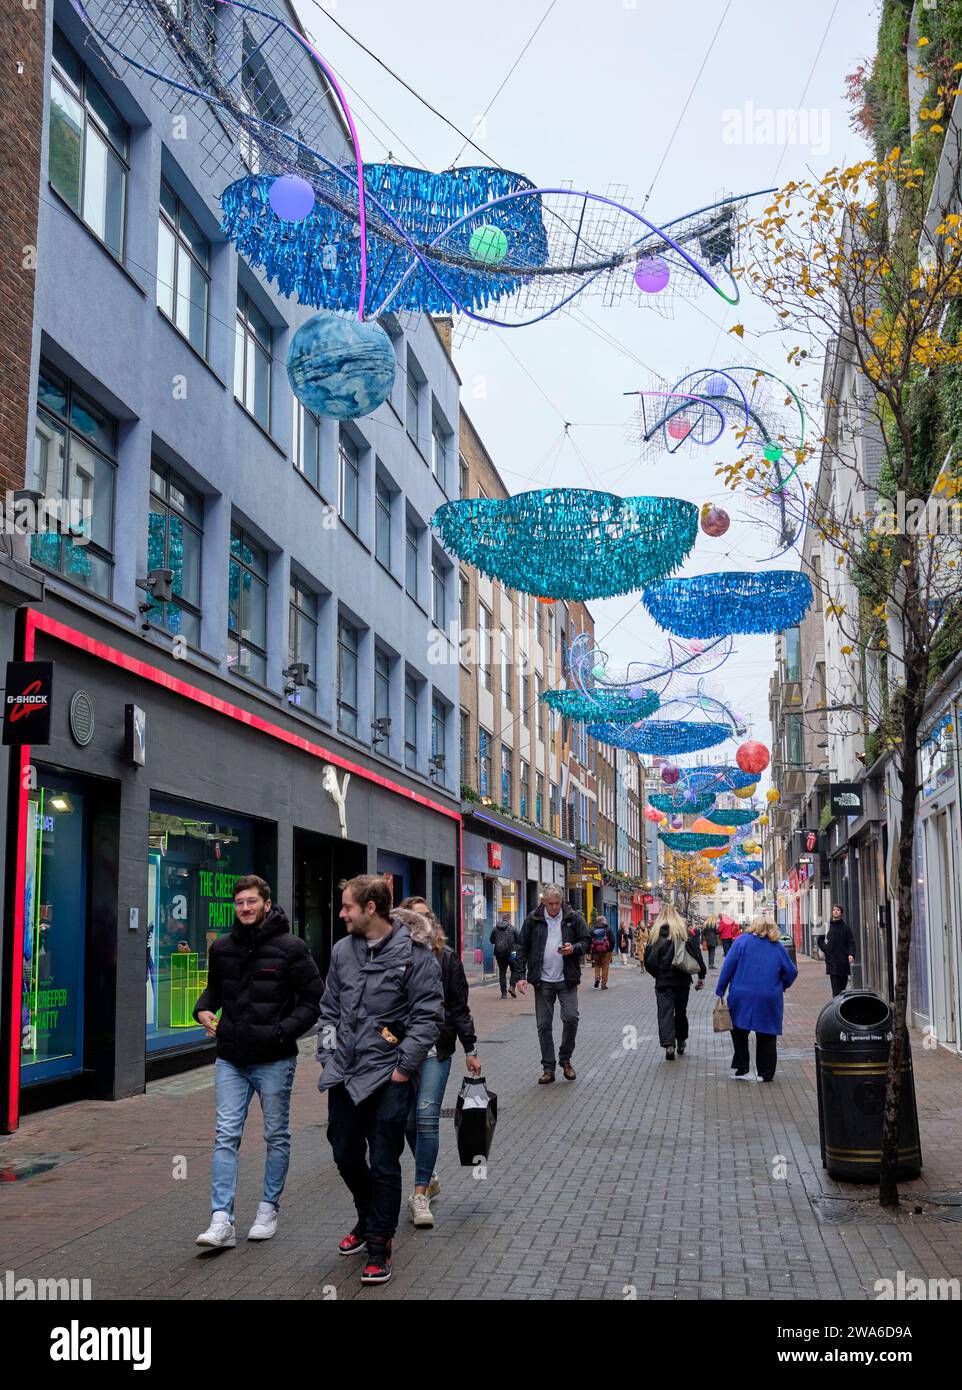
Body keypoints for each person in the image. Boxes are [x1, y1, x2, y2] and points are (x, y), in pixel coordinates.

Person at [317, 876, 444, 1285]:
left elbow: (428, 1016)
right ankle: (368, 1215)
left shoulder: (415, 955)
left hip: (389, 1078)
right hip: (344, 1075)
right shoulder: (342, 951)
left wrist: (403, 1068)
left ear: (371, 908)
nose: (341, 913)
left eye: (347, 907)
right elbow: (329, 1009)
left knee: (385, 1163)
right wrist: (327, 1053)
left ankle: (378, 1243)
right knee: (344, 1155)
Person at [194, 875, 322, 1249]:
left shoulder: (291, 948)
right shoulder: (222, 948)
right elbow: (215, 990)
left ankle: (268, 1209)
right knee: (225, 1136)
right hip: (231, 1057)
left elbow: (314, 999)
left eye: (251, 901)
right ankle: (222, 1221)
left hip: (274, 1059)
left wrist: (283, 1032)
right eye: (239, 903)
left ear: (267, 903)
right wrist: (202, 1010)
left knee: (275, 1135)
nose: (245, 908)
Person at [397, 898, 481, 1230]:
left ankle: (420, 1195)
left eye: (424, 918)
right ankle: (429, 1175)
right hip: (402, 1052)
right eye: (411, 919)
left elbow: (459, 1008)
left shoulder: (447, 960)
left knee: (427, 1114)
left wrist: (470, 1049)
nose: (419, 925)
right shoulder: (394, 960)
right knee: (407, 1122)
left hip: (436, 1050)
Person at [516, 887, 590, 1083]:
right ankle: (548, 1068)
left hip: (566, 979)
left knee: (571, 1017)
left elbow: (586, 941)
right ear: (544, 901)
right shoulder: (534, 919)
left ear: (561, 901)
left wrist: (573, 948)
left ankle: (565, 1060)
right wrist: (519, 976)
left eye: (557, 903)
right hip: (543, 980)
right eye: (550, 904)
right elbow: (522, 946)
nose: (555, 907)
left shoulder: (572, 918)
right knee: (543, 1025)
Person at [716, 915, 798, 1081]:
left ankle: (742, 1064)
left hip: (741, 993)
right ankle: (766, 1072)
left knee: (738, 1029)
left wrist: (720, 990)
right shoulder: (778, 947)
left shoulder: (741, 941)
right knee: (767, 1034)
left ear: (754, 926)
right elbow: (791, 971)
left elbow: (728, 967)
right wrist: (782, 986)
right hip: (768, 996)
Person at [644, 904, 706, 1060]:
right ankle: (681, 1040)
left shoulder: (655, 934)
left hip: (663, 982)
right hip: (682, 981)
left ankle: (669, 1045)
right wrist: (701, 975)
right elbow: (696, 954)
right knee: (680, 1012)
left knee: (665, 1013)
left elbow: (648, 960)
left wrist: (658, 974)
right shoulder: (683, 932)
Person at [819, 904, 856, 997]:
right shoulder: (827, 926)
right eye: (834, 910)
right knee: (835, 988)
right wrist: (826, 949)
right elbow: (820, 940)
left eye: (838, 910)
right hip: (832, 961)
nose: (835, 911)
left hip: (843, 962)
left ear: (841, 913)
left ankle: (841, 1004)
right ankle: (836, 1005)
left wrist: (851, 954)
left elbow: (851, 942)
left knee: (843, 986)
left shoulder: (846, 928)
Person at [489, 916, 519, 999]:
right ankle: (512, 987)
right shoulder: (513, 929)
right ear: (509, 920)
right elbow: (519, 940)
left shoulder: (495, 929)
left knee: (502, 973)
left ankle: (504, 993)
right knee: (514, 970)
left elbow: (491, 941)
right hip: (512, 954)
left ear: (503, 920)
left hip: (500, 954)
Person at [589, 914, 617, 989]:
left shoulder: (592, 929)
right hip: (606, 952)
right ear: (603, 921)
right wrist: (610, 950)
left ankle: (597, 978)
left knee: (597, 965)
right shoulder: (608, 929)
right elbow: (613, 941)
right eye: (605, 920)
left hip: (595, 951)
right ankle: (603, 984)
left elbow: (589, 940)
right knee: (605, 967)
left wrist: (590, 951)